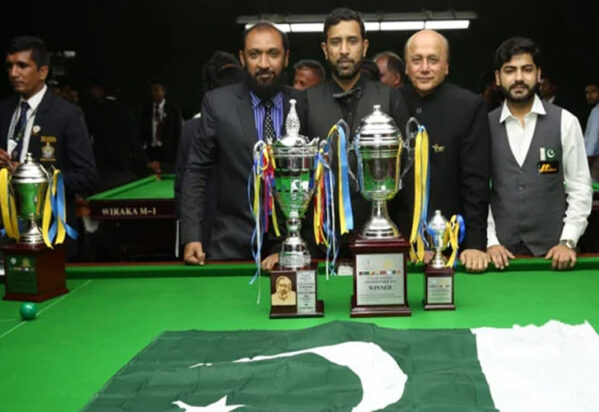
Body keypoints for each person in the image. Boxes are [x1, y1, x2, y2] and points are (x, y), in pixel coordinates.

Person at [260, 8, 411, 271]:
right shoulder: (306, 101)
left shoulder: (389, 98)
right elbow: (287, 176)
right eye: (335, 42)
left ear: (364, 47)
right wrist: (281, 243)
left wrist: (412, 240)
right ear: (325, 49)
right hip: (316, 244)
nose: (343, 50)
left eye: (351, 41)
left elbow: (407, 175)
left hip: (380, 240)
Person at [181, 22, 306, 265]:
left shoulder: (304, 104)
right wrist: (192, 236)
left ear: (286, 57)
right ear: (242, 58)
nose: (264, 64)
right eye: (254, 54)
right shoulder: (217, 104)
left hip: (293, 243)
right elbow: (197, 170)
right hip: (231, 243)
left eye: (273, 53)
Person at [486, 37, 592, 270]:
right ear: (498, 78)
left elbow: (580, 186)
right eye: (510, 70)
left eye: (527, 69)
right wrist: (490, 241)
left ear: (539, 74)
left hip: (554, 254)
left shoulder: (566, 121)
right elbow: (477, 192)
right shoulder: (483, 126)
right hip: (500, 255)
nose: (519, 78)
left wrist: (568, 240)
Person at [400, 30, 491, 272]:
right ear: (406, 67)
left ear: (447, 66)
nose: (425, 68)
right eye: (416, 60)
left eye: (433, 59)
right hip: (402, 247)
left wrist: (475, 244)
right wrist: (406, 242)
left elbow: (476, 182)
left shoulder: (468, 106)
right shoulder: (391, 103)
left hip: (454, 244)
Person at [0, 36, 98, 255]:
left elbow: (87, 177)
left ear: (42, 72)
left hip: (50, 237)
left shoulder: (67, 115)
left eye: (22, 66)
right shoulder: (3, 111)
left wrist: (29, 176)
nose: (13, 73)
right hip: (5, 236)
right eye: (10, 66)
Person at [174, 51, 244, 251]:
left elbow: (182, 187)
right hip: (250, 236)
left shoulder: (190, 128)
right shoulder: (259, 119)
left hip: (204, 234)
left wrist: (188, 237)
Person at [86, 79, 151, 190]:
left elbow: (88, 136)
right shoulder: (124, 108)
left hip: (103, 163)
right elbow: (133, 137)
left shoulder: (95, 110)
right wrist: (145, 161)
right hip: (122, 162)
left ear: (100, 90)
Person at [140, 79, 182, 174]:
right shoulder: (147, 109)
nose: (154, 93)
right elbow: (143, 129)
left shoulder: (173, 108)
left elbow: (178, 131)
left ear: (164, 91)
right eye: (152, 90)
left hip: (168, 151)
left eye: (157, 90)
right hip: (152, 150)